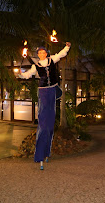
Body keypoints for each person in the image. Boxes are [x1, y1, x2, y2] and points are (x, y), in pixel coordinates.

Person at [19, 42, 71, 170]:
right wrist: (20, 74)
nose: (42, 54)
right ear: (37, 55)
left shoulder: (52, 59)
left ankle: (47, 152)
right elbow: (27, 75)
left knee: (51, 119)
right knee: (43, 121)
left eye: (43, 52)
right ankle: (40, 154)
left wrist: (67, 47)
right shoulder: (35, 65)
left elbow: (61, 54)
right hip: (43, 91)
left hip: (52, 90)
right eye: (39, 53)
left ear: (46, 53)